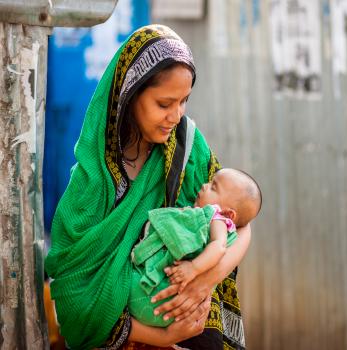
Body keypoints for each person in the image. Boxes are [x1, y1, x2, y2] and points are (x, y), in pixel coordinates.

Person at [45, 24, 253, 350]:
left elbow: (239, 221)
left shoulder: (186, 147)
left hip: (193, 323)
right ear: (130, 96)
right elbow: (74, 296)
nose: (176, 115)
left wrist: (207, 277)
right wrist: (163, 337)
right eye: (164, 103)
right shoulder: (92, 183)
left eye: (184, 101)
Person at [129, 168, 262, 327]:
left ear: (228, 214)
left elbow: (218, 247)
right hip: (166, 310)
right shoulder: (206, 217)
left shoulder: (217, 218)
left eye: (213, 187)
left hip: (166, 296)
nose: (204, 185)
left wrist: (193, 267)